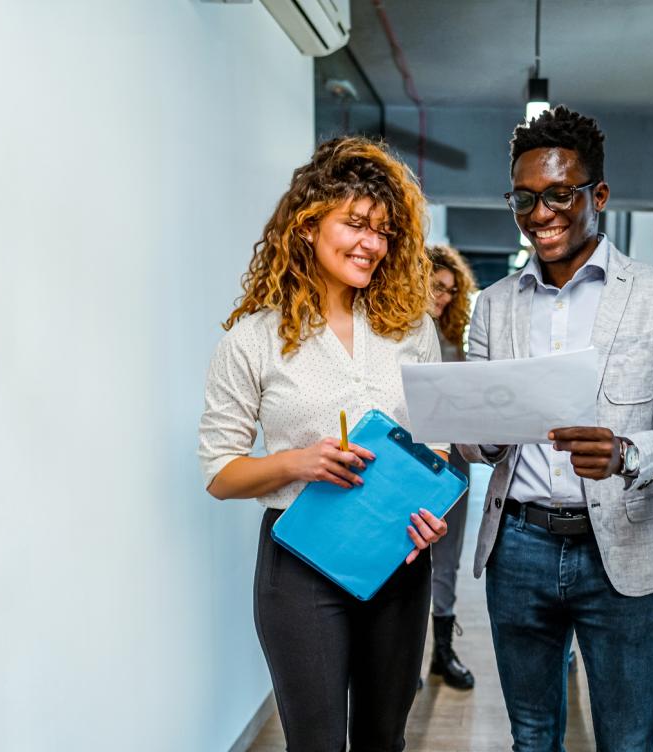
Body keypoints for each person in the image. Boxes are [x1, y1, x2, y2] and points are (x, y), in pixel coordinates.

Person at [457, 106, 653, 751]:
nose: (542, 214)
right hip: (518, 545)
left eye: (559, 195)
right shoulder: (492, 305)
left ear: (597, 195)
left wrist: (626, 451)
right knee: (532, 737)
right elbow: (478, 437)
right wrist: (476, 433)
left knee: (627, 741)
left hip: (620, 546)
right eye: (525, 199)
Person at [197, 136, 450, 752]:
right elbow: (219, 471)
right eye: (356, 224)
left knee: (383, 740)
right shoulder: (254, 338)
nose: (372, 243)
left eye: (385, 231)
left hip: (399, 558)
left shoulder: (411, 328)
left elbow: (435, 446)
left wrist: (429, 511)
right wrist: (297, 462)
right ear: (308, 226)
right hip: (300, 566)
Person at [424, 243, 479, 690]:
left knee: (447, 556)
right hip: (408, 459)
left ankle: (442, 652)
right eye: (437, 286)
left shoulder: (455, 339)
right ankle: (401, 656)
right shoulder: (392, 333)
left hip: (455, 459)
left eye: (450, 290)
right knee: (403, 557)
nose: (443, 297)